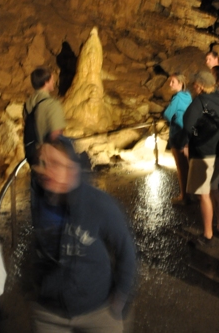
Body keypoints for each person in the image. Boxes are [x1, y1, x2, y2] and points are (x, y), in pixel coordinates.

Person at [31, 136, 136, 333]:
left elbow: (125, 250)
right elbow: (35, 248)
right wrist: (34, 288)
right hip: (50, 313)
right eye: (42, 163)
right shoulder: (40, 202)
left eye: (55, 163)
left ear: (72, 169)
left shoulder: (99, 204)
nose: (45, 171)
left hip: (98, 309)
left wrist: (120, 298)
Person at [183, 71, 219, 244]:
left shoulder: (199, 103)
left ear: (200, 86)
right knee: (216, 189)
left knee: (204, 194)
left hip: (203, 153)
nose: (193, 86)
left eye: (195, 84)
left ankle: (207, 234)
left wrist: (192, 139)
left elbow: (187, 126)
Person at [163, 74, 192, 205]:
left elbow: (167, 114)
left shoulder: (177, 97)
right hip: (187, 133)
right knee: (188, 165)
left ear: (180, 82)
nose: (170, 84)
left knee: (181, 167)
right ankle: (192, 194)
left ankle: (183, 196)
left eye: (172, 81)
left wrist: (172, 118)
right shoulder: (188, 95)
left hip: (177, 133)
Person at [24, 68, 66, 152]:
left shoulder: (28, 103)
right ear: (46, 82)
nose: (54, 82)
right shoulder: (52, 104)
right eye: (52, 80)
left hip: (34, 154)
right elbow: (56, 134)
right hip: (49, 154)